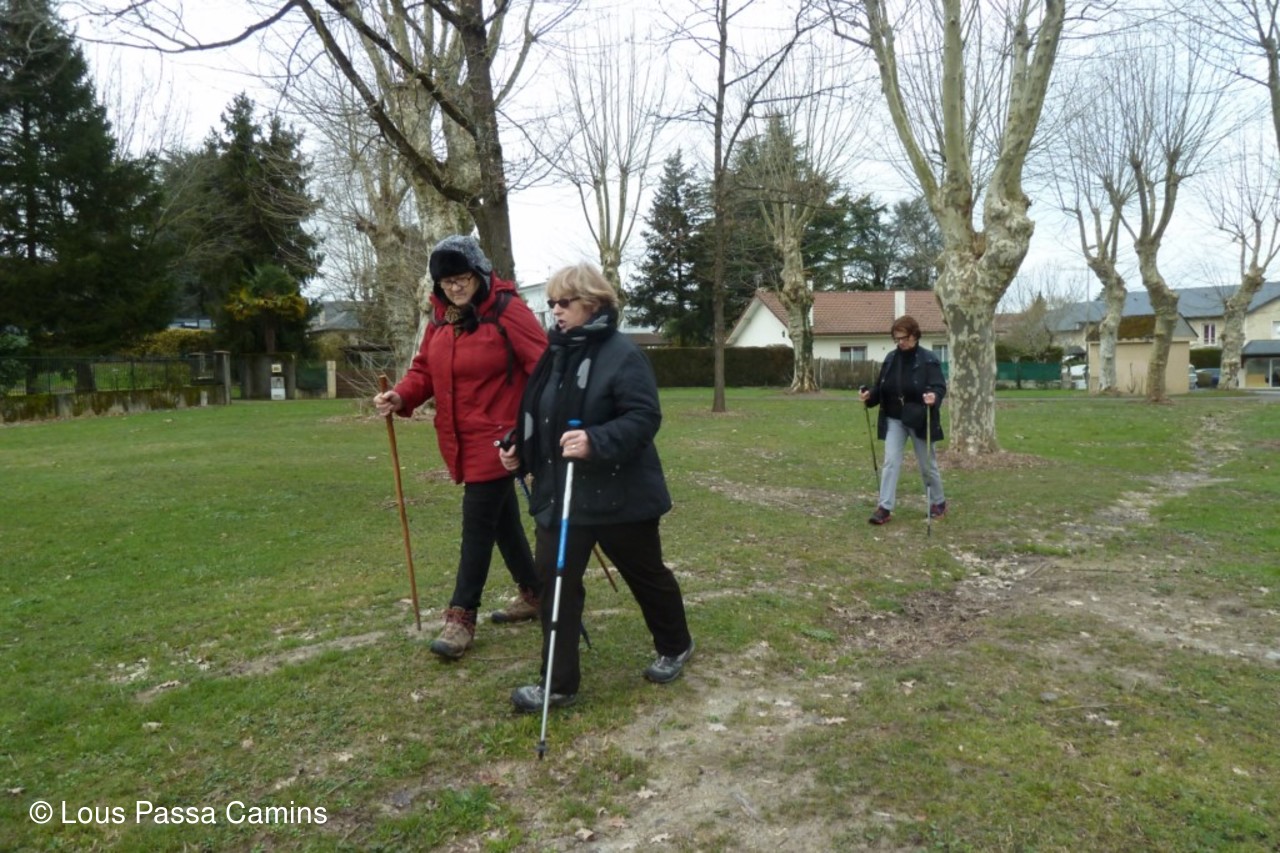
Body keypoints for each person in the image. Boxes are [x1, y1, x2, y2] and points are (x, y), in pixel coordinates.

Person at [498, 262, 694, 712]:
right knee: (555, 583)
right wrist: (518, 447)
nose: (555, 310)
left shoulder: (623, 354)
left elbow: (644, 417)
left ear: (593, 303)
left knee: (646, 574)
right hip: (563, 495)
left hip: (620, 495)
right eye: (551, 303)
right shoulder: (555, 353)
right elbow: (542, 414)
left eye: (564, 302)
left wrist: (595, 441)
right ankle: (558, 684)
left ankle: (676, 644)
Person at [373, 235, 548, 660]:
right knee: (502, 520)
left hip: (503, 440)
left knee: (477, 523)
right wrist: (401, 395)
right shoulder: (441, 320)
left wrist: (532, 430)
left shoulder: (507, 310)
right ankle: (536, 592)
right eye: (447, 281)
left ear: (480, 274)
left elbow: (545, 368)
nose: (454, 287)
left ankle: (461, 615)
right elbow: (424, 371)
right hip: (460, 440)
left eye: (462, 278)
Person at [858, 314, 947, 525]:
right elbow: (881, 387)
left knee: (927, 465)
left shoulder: (928, 359)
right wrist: (870, 395)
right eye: (896, 338)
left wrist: (933, 397)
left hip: (919, 418)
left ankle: (938, 502)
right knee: (890, 462)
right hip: (894, 419)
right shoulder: (890, 359)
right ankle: (884, 507)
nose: (900, 342)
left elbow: (939, 386)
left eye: (904, 338)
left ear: (915, 335)